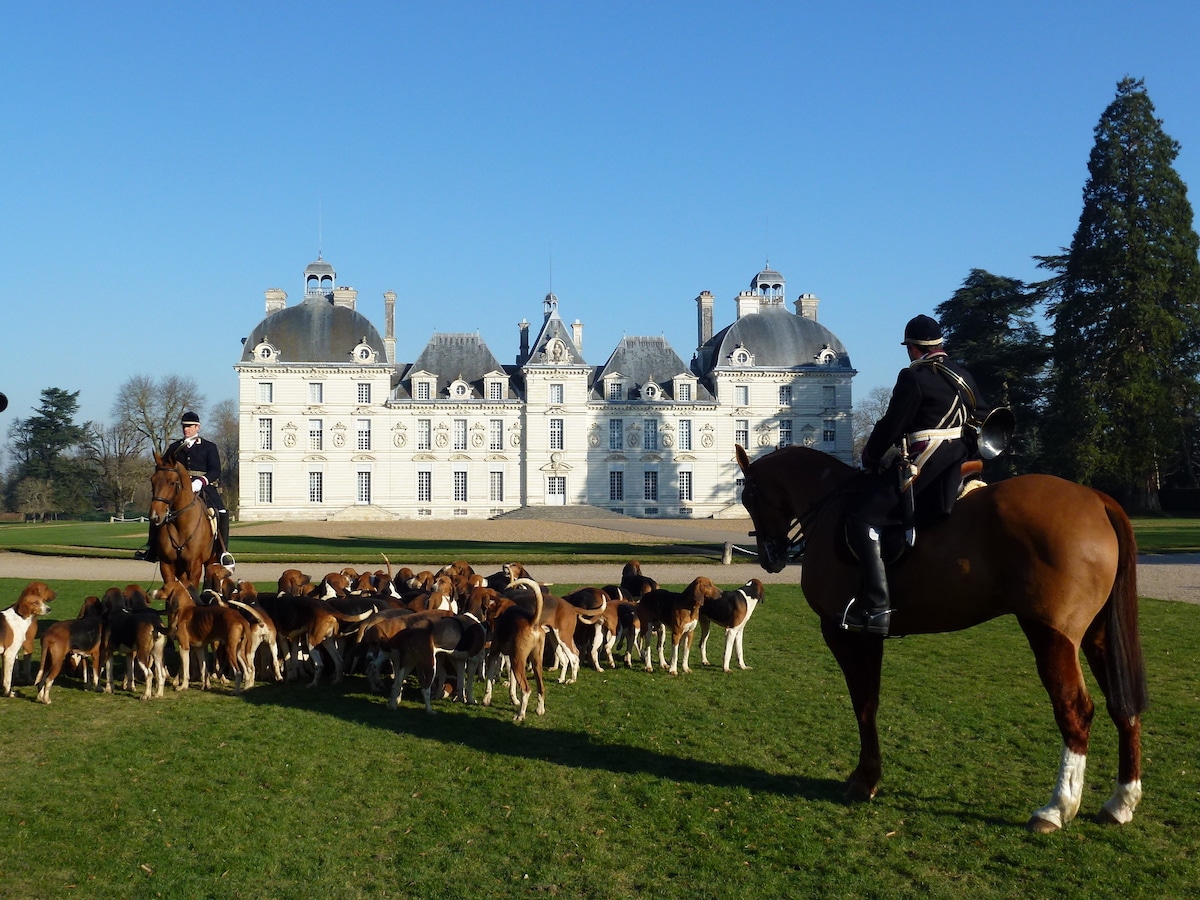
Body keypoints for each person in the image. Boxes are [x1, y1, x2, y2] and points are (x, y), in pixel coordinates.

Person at [841, 314, 981, 636]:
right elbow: (983, 416)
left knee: (861, 519)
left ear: (912, 349)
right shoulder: (963, 375)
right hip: (963, 459)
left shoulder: (914, 377)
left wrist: (870, 455)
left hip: (929, 461)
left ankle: (877, 609)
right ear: (940, 345)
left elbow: (893, 424)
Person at [135, 410, 235, 569]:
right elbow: (164, 467)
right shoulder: (174, 448)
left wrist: (201, 481)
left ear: (198, 427)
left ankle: (223, 552)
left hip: (203, 488)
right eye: (184, 426)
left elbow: (215, 470)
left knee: (220, 512)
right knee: (158, 513)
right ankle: (152, 548)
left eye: (189, 426)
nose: (186, 429)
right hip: (178, 490)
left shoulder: (209, 447)